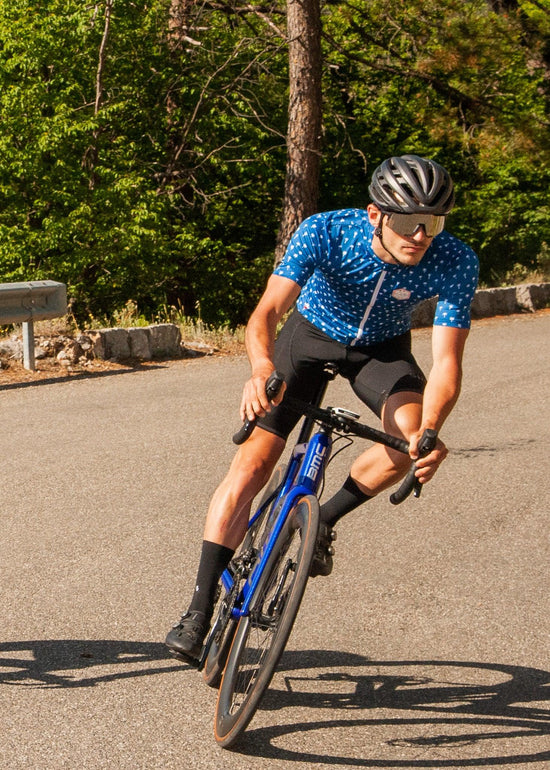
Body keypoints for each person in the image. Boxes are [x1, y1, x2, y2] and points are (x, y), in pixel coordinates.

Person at [165, 154, 479, 664]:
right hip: (308, 337)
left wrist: (431, 431)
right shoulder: (326, 231)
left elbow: (446, 360)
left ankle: (324, 519)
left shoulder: (455, 259)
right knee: (253, 464)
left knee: (410, 438)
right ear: (376, 215)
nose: (421, 235)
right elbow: (267, 311)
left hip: (381, 348)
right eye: (407, 221)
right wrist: (259, 369)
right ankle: (199, 608)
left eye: (434, 222)